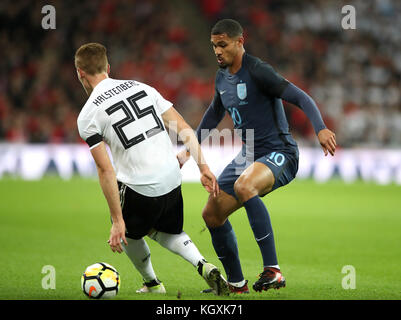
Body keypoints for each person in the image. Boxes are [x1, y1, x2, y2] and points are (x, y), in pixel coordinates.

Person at [177, 19, 336, 293]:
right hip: (248, 154)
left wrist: (320, 128)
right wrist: (188, 150)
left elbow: (301, 98)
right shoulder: (221, 77)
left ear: (240, 42)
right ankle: (237, 284)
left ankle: (273, 270)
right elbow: (214, 114)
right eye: (214, 45)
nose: (217, 50)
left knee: (244, 185)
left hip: (279, 152)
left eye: (223, 45)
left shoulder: (259, 71)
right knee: (211, 214)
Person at [75, 42, 229, 296]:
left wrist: (117, 220)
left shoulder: (87, 115)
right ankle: (202, 264)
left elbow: (106, 171)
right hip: (172, 179)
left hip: (140, 186)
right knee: (166, 230)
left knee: (130, 235)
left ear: (80, 73)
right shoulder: (142, 87)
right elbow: (185, 129)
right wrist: (203, 167)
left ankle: (153, 284)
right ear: (108, 67)